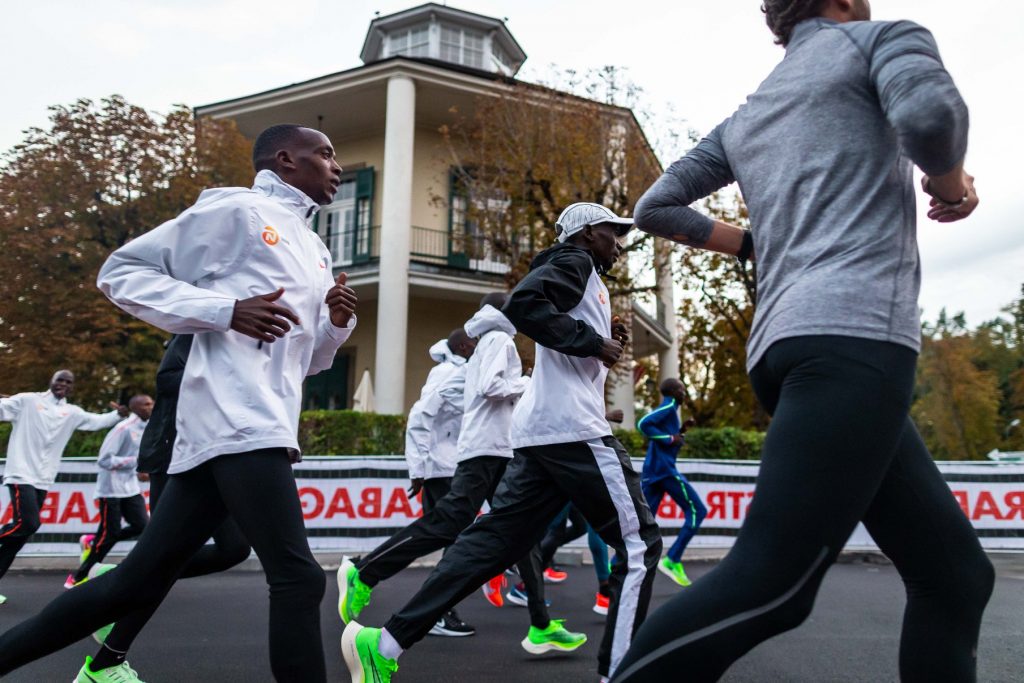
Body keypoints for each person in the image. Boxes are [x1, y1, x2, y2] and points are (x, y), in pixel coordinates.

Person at [613, 2, 992, 681]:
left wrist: (753, 245)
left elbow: (653, 207)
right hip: (854, 339)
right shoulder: (879, 41)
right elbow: (932, 118)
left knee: (957, 574)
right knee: (772, 586)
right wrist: (949, 182)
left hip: (786, 348)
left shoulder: (748, 115)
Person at [0, 123, 358, 683]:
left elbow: (305, 359)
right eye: (327, 154)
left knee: (138, 581)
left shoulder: (313, 246)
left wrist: (334, 325)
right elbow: (121, 272)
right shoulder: (238, 212)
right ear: (286, 160)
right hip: (235, 419)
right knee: (299, 577)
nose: (338, 167)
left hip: (250, 424)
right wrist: (224, 309)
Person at [342, 202, 663, 683]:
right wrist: (592, 342)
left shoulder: (585, 277)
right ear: (587, 232)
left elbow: (557, 344)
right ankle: (618, 672)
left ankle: (383, 644)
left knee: (491, 543)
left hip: (539, 435)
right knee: (641, 545)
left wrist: (600, 340)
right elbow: (524, 305)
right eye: (613, 233)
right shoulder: (572, 261)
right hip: (572, 431)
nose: (619, 243)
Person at [337, 293, 558, 646]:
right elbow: (480, 392)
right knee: (450, 526)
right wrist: (530, 383)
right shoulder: (497, 340)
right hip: (479, 453)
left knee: (518, 530)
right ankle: (365, 572)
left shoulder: (486, 345)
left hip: (492, 450)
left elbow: (482, 397)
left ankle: (540, 622)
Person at [72, 333, 253, 681]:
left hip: (218, 452)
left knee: (234, 548)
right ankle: (104, 664)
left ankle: (124, 575)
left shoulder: (249, 333)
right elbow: (169, 381)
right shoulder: (202, 324)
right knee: (168, 557)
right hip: (178, 454)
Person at [0, 370, 127, 603]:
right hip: (20, 474)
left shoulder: (72, 412)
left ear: (72, 387)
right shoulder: (28, 400)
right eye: (60, 380)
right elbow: (2, 408)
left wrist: (117, 414)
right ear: (51, 381)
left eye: (68, 382)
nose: (63, 384)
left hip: (44, 478)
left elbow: (97, 421)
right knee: (28, 523)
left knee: (19, 536)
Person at [405, 327, 478, 636]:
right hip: (441, 469)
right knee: (453, 541)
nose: (478, 346)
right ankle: (436, 612)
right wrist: (418, 469)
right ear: (462, 346)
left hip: (451, 465)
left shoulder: (460, 370)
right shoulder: (447, 373)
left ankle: (436, 610)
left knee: (454, 541)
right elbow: (420, 417)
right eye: (474, 343)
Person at [66, 395, 155, 589]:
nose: (151, 407)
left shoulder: (147, 427)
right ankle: (78, 578)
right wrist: (136, 464)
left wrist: (141, 469)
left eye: (151, 403)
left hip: (129, 488)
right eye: (146, 404)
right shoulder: (122, 429)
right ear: (135, 408)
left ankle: (91, 542)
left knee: (142, 526)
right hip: (110, 490)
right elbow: (104, 460)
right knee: (110, 534)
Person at [637, 378, 705, 587]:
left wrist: (681, 431)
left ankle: (617, 562)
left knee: (645, 524)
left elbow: (669, 440)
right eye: (682, 389)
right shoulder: (668, 406)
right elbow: (643, 424)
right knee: (698, 511)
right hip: (665, 472)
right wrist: (668, 438)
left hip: (654, 473)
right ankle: (673, 559)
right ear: (675, 392)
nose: (685, 393)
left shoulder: (671, 411)